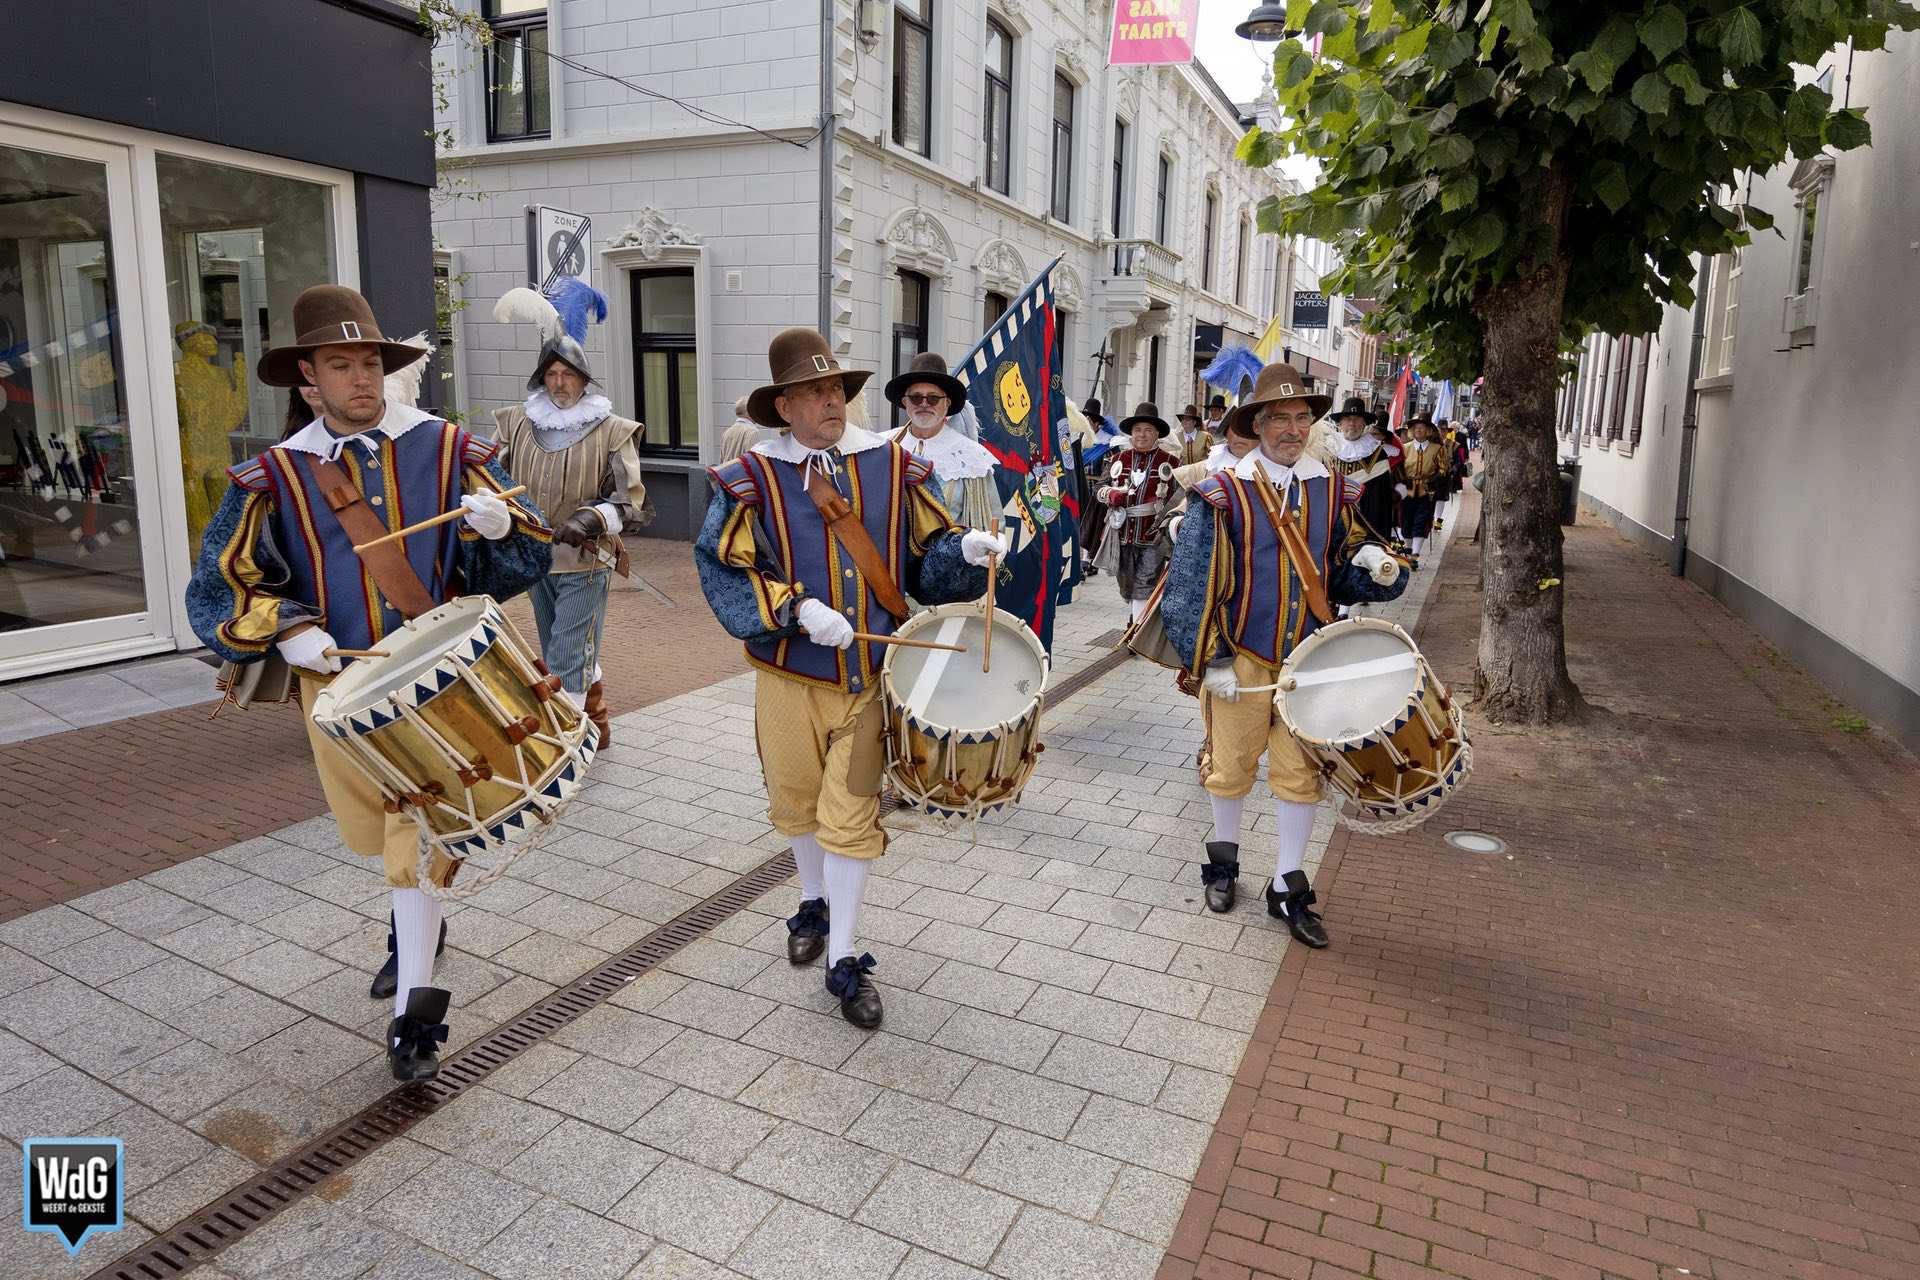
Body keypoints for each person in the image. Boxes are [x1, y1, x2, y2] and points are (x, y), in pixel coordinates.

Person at [186, 285, 551, 1081]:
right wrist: (287, 627)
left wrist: (502, 529)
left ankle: (412, 1011)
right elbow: (218, 585)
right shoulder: (274, 475)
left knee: (412, 838)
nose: (361, 380)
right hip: (342, 687)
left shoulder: (448, 449)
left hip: (446, 679)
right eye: (341, 366)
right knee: (387, 834)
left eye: (371, 364)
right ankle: (413, 930)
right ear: (307, 381)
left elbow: (523, 557)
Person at [694, 328, 1004, 1029]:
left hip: (869, 677)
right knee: (797, 801)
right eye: (814, 392)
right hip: (786, 675)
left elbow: (925, 561)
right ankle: (812, 898)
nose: (832, 401)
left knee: (851, 815)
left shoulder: (892, 468)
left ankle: (844, 955)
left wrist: (965, 550)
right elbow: (722, 568)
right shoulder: (749, 479)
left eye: (837, 389)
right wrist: (793, 609)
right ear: (785, 407)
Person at [1142, 362, 1407, 947]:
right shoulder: (1222, 492)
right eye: (1279, 417)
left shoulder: (1335, 489)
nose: (1291, 428)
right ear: (1257, 425)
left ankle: (1287, 885)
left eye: (1301, 417)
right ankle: (1224, 860)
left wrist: (1372, 568)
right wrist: (1208, 658)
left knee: (1300, 774)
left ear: (1311, 425)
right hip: (1239, 653)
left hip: (1310, 658)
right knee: (1230, 765)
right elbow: (1189, 585)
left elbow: (1344, 566)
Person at [491, 323, 646, 746]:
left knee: (564, 650)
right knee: (558, 640)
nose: (560, 383)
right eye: (552, 374)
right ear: (543, 378)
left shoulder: (613, 429)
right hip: (533, 555)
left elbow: (629, 501)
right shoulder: (514, 424)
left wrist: (589, 520)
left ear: (583, 379)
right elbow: (489, 481)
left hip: (587, 558)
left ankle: (567, 739)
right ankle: (598, 720)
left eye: (569, 375)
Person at [883, 351, 1001, 531]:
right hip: (889, 556)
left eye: (933, 398)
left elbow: (992, 525)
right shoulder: (882, 445)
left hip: (946, 556)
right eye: (916, 397)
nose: (924, 404)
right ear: (905, 402)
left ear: (946, 403)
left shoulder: (972, 458)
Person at [1096, 403, 1180, 624]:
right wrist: (1110, 494)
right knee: (1127, 585)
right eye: (1138, 430)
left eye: (1148, 430)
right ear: (1131, 433)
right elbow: (1098, 489)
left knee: (1145, 582)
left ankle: (1136, 630)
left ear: (1157, 435)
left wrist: (1169, 523)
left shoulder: (1171, 463)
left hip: (1154, 536)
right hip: (1121, 533)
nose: (1142, 435)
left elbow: (1180, 497)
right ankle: (1136, 617)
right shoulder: (1117, 460)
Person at [1324, 398, 1398, 542]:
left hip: (1365, 522)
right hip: (1330, 519)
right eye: (1348, 419)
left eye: (1357, 419)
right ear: (1339, 423)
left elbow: (1381, 500)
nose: (1352, 423)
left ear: (1364, 423)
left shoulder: (1377, 452)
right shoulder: (1327, 449)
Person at [1398, 414, 1450, 560]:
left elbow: (1442, 470)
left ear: (1428, 430)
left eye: (1422, 427)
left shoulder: (1437, 449)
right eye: (1416, 428)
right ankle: (1408, 551)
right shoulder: (1405, 448)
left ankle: (1415, 554)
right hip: (1407, 490)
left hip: (1426, 491)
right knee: (1406, 520)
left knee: (1421, 521)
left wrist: (1432, 480)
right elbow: (1398, 468)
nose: (1419, 430)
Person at [1079, 397, 1122, 575]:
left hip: (1099, 489)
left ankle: (1090, 559)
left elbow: (1115, 468)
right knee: (1081, 522)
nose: (1087, 424)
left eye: (1089, 421)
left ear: (1097, 423)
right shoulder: (1080, 439)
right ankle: (1082, 558)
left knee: (1095, 524)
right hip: (1083, 486)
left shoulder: (1109, 444)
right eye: (1085, 420)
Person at [719, 395, 766, 462]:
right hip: (742, 472)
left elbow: (721, 460)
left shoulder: (727, 432)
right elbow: (753, 461)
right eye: (755, 410)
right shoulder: (752, 432)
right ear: (749, 412)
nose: (757, 413)